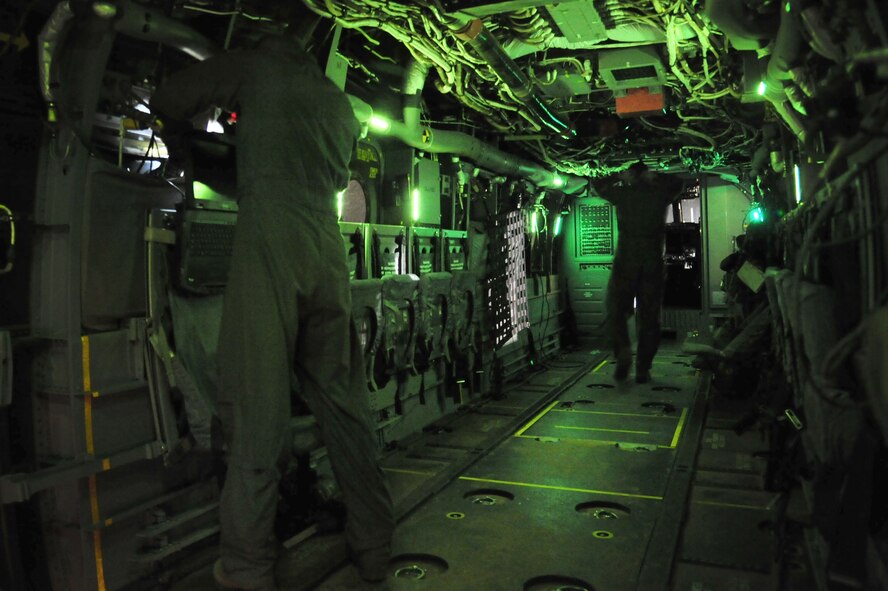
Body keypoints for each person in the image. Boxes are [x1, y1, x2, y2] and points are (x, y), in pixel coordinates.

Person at [150, 21, 395, 591]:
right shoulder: (338, 106)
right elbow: (311, 175)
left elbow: (170, 98)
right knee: (345, 405)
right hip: (326, 250)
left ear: (264, 40)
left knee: (257, 413)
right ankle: (375, 546)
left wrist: (187, 142)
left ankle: (247, 568)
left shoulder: (253, 67)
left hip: (271, 248)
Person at [591, 161, 685, 383]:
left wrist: (619, 176)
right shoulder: (660, 192)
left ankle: (623, 352)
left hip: (626, 261)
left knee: (615, 310)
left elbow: (597, 184)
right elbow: (679, 183)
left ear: (632, 174)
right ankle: (643, 367)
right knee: (650, 318)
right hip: (652, 262)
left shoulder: (624, 193)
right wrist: (656, 176)